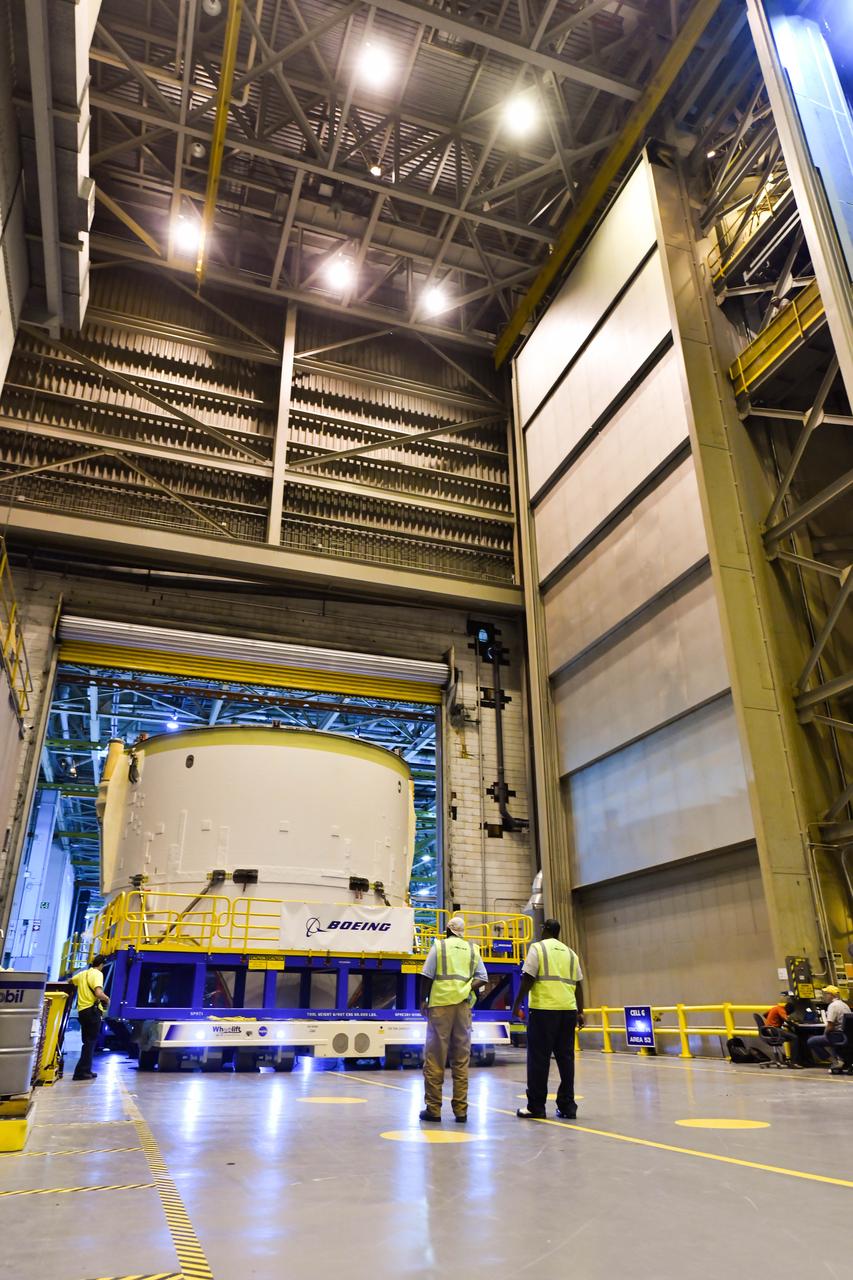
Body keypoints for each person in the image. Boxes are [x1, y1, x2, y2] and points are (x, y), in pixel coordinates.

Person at [419, 914, 487, 1123]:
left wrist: (423, 1000)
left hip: (440, 1006)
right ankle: (460, 1110)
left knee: (435, 1058)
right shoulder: (473, 950)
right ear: (462, 932)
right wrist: (465, 988)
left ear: (448, 930)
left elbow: (426, 976)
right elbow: (482, 978)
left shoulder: (439, 947)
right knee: (461, 1059)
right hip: (463, 1008)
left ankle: (434, 1109)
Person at [512, 919, 583, 1120]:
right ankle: (568, 1106)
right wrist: (580, 1011)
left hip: (544, 1010)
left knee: (539, 1059)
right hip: (568, 1011)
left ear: (545, 930)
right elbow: (578, 984)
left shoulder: (538, 948)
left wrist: (517, 1004)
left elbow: (528, 978)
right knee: (566, 1059)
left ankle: (536, 1106)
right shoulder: (571, 953)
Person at [71, 953, 109, 1081]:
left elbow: (70, 981)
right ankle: (81, 1072)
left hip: (82, 1011)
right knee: (90, 1042)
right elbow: (98, 993)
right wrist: (107, 999)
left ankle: (85, 1070)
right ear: (102, 964)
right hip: (92, 1012)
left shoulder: (83, 974)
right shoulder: (98, 974)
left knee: (87, 1042)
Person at [807, 985, 851, 1070]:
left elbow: (830, 1026)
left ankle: (835, 1061)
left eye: (826, 994)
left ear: (832, 995)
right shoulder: (844, 1005)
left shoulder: (833, 1006)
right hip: (846, 1035)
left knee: (812, 1041)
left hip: (837, 1036)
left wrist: (825, 1034)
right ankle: (841, 1059)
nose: (825, 996)